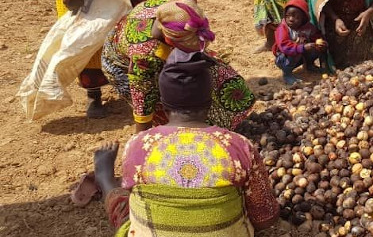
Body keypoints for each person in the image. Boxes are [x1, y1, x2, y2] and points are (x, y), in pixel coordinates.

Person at [87, 49, 279, 235]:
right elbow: (266, 218)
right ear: (210, 101)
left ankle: (104, 178)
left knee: (129, 207)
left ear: (162, 103)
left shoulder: (137, 146)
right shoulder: (239, 146)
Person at [102, 0, 255, 132]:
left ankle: (227, 123)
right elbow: (142, 104)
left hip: (154, 48)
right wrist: (143, 141)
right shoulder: (144, 57)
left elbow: (190, 0)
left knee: (219, 74)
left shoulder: (178, 1)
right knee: (173, 106)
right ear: (170, 41)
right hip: (119, 62)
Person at [273, 0, 327, 84]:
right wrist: (302, 47)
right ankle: (287, 74)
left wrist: (320, 42)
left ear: (303, 19)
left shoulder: (308, 27)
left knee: (315, 47)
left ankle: (309, 65)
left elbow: (316, 35)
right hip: (284, 58)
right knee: (294, 51)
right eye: (288, 16)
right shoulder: (283, 28)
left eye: (296, 17)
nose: (290, 19)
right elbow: (284, 46)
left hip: (301, 55)